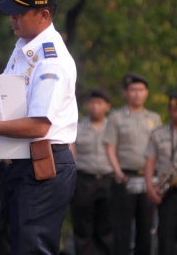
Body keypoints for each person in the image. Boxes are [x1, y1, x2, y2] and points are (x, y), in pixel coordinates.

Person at [0, 0, 77, 254]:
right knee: (16, 243)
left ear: (44, 14)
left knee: (31, 247)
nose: (12, 18)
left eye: (19, 13)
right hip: (21, 162)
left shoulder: (51, 61)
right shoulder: (24, 47)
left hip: (43, 162)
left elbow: (39, 126)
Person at [104, 72, 161, 255]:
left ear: (146, 93)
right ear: (126, 93)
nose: (137, 93)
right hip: (124, 177)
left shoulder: (154, 118)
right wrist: (117, 171)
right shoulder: (116, 117)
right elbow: (110, 147)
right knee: (121, 227)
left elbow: (158, 149)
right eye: (133, 90)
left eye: (141, 90)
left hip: (147, 178)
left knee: (146, 227)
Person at [71, 88, 114, 255]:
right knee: (82, 227)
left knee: (106, 228)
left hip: (108, 180)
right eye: (92, 102)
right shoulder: (78, 126)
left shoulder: (113, 127)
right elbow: (71, 153)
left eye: (99, 103)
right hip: (84, 180)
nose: (95, 106)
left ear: (107, 106)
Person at [145, 92, 177, 255]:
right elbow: (150, 161)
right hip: (167, 190)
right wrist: (150, 187)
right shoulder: (158, 134)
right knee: (165, 235)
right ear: (169, 110)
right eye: (175, 109)